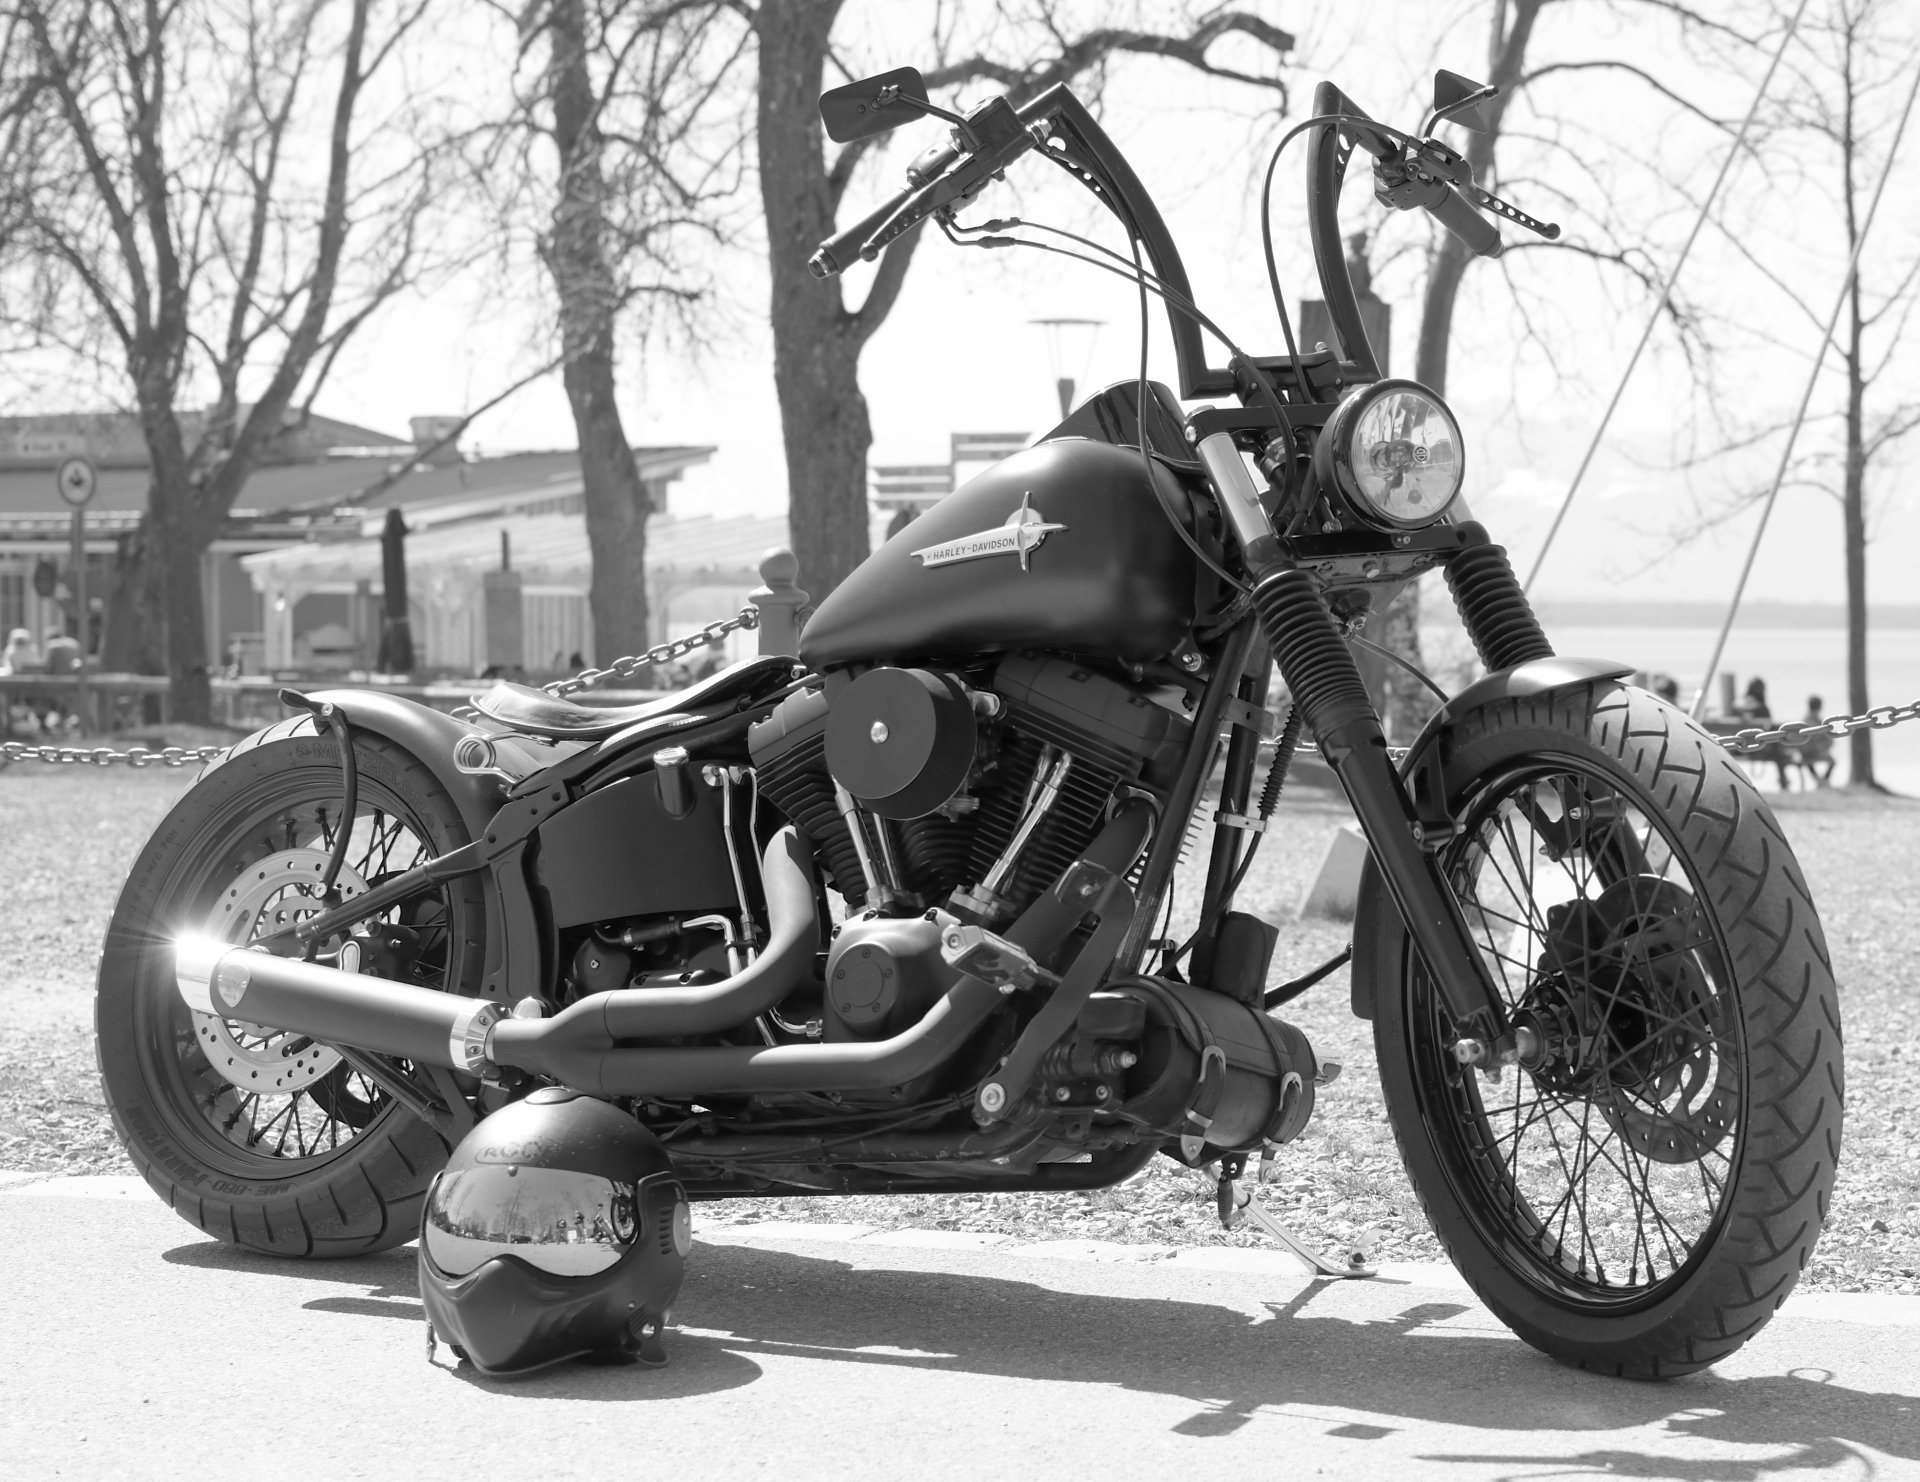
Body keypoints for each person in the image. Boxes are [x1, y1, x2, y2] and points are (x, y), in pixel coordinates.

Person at [1799, 694, 1836, 787]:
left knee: (1808, 760)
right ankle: (1823, 780)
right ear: (1820, 707)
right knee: (1832, 761)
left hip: (1807, 753)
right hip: (1815, 752)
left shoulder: (1804, 720)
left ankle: (1819, 780)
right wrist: (1824, 747)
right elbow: (1828, 739)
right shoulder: (1818, 721)